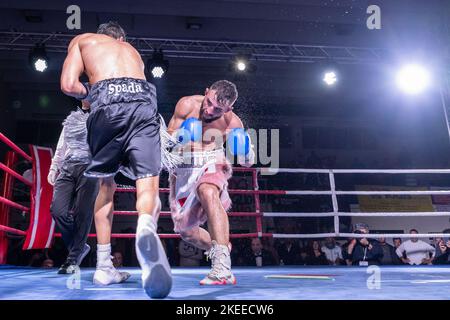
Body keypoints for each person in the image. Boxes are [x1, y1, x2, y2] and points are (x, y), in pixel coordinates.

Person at [60, 21, 175, 298]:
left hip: (106, 106)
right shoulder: (132, 51)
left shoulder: (83, 40)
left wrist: (92, 94)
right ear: (121, 37)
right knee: (147, 184)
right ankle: (146, 227)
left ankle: (102, 266)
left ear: (101, 35)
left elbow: (68, 85)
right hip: (144, 102)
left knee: (105, 186)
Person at [166, 80, 255, 285]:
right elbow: (168, 142)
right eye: (209, 102)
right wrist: (181, 139)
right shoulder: (186, 105)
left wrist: (246, 151)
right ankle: (221, 245)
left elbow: (246, 162)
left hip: (212, 160)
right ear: (206, 92)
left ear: (228, 108)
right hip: (184, 168)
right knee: (187, 232)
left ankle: (222, 267)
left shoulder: (233, 123)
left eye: (218, 109)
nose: (209, 110)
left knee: (207, 190)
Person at [48, 101, 98, 274]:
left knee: (82, 214)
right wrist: (54, 167)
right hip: (68, 167)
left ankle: (72, 259)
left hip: (90, 168)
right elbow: (62, 145)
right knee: (57, 211)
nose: (87, 94)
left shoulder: (102, 116)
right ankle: (79, 247)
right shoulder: (71, 118)